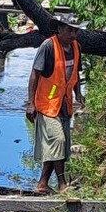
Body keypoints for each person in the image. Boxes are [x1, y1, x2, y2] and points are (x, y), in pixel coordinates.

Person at [24, 20, 83, 193]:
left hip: (64, 104)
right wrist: (30, 103)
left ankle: (42, 183)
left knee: (57, 147)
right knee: (58, 140)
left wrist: (78, 93)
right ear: (59, 29)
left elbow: (75, 73)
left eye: (75, 31)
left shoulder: (76, 47)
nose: (73, 35)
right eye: (69, 30)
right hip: (47, 104)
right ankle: (62, 184)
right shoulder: (48, 46)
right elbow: (34, 75)